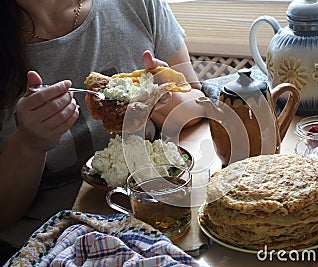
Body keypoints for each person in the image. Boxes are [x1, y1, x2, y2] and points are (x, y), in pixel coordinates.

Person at [0, 0, 205, 263]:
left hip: (156, 227)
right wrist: (29, 144)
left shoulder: (138, 5)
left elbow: (197, 110)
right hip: (49, 246)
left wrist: (158, 98)